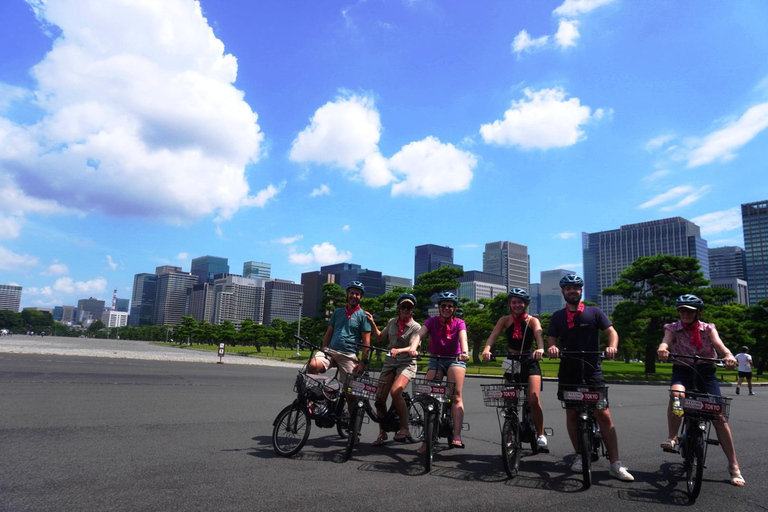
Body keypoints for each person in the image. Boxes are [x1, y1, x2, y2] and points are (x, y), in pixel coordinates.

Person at [546, 274, 634, 482]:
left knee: (603, 414)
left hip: (592, 368)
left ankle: (615, 463)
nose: (572, 291)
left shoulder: (595, 312)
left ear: (581, 291)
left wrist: (612, 345)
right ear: (562, 292)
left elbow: (611, 331)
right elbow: (551, 337)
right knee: (572, 415)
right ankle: (579, 454)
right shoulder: (558, 316)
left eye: (575, 288)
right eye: (568, 288)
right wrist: (551, 346)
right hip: (569, 370)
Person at [657, 294, 745, 487]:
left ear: (698, 312)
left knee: (719, 418)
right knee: (676, 395)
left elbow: (719, 345)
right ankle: (672, 438)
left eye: (689, 310)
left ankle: (734, 466)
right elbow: (665, 341)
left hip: (706, 372)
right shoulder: (672, 327)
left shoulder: (708, 328)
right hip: (683, 369)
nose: (685, 314)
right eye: (682, 310)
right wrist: (663, 349)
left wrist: (728, 355)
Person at [482, 287, 548, 451]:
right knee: (509, 400)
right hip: (511, 360)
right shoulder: (504, 320)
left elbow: (539, 337)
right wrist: (486, 349)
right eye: (513, 302)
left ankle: (541, 434)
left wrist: (540, 349)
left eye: (520, 302)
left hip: (529, 359)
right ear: (510, 304)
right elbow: (493, 336)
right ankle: (510, 435)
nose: (517, 305)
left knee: (533, 399)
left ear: (525, 304)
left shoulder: (532, 320)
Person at [410, 291, 470, 449]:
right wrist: (413, 348)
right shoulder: (431, 321)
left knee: (455, 396)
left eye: (450, 306)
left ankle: (456, 435)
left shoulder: (459, 323)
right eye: (444, 306)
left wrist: (464, 352)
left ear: (454, 308)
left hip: (455, 359)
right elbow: (419, 335)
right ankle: (428, 436)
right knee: (427, 394)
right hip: (435, 359)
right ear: (439, 307)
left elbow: (463, 338)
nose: (447, 308)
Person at [365, 293, 421, 446]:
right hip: (390, 363)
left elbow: (413, 346)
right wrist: (372, 323)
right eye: (403, 306)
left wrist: (400, 350)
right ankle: (382, 433)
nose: (406, 309)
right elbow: (380, 338)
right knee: (379, 399)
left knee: (396, 391)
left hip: (406, 363)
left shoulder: (416, 327)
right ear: (399, 308)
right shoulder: (391, 322)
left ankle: (405, 428)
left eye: (409, 307)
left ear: (412, 309)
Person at [308, 281, 372, 411]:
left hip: (348, 355)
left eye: (357, 294)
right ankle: (316, 399)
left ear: (361, 297)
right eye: (352, 293)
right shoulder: (337, 312)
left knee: (349, 392)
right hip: (331, 351)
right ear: (347, 294)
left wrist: (363, 362)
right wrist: (323, 349)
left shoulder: (363, 316)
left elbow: (366, 342)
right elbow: (329, 333)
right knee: (313, 365)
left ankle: (351, 421)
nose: (354, 296)